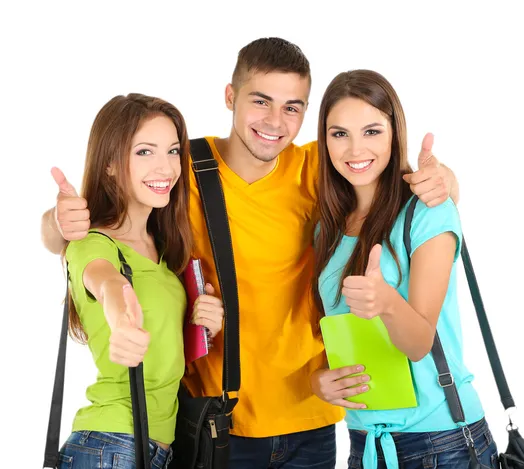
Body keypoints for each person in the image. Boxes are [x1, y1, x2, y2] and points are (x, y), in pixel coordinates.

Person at [40, 38, 460, 469]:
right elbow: (91, 233)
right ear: (230, 97)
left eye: (293, 107)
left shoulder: (321, 167)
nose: (275, 121)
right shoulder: (177, 169)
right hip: (217, 421)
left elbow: (396, 179)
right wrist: (57, 223)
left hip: (312, 417)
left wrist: (444, 178)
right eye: (261, 101)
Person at [310, 69, 498, 469]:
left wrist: (388, 303)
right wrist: (319, 381)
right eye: (339, 133)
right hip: (366, 443)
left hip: (442, 442)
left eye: (372, 131)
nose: (355, 148)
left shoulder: (429, 211)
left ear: (396, 133)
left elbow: (418, 343)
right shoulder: (326, 228)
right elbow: (336, 333)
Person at [53, 93, 224, 469]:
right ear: (111, 164)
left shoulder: (162, 251)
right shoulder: (93, 243)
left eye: (173, 151)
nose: (165, 167)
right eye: (145, 152)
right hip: (111, 445)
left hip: (154, 447)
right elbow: (106, 283)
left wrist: (201, 322)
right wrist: (122, 319)